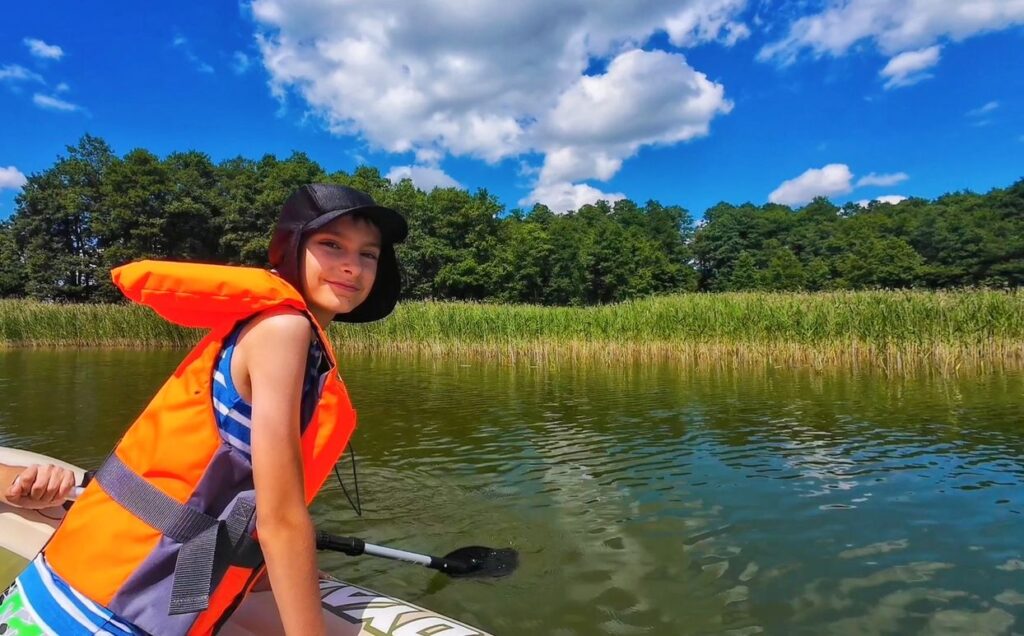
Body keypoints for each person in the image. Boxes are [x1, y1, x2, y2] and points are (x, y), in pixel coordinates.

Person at [0, 184, 407, 635]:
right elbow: (281, 521)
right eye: (331, 245)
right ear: (292, 248)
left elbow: (228, 498)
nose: (352, 265)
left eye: (368, 254)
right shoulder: (284, 330)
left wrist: (263, 572)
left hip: (64, 589)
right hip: (103, 616)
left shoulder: (273, 327)